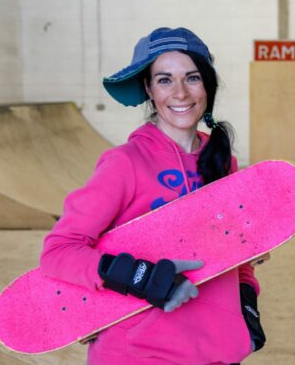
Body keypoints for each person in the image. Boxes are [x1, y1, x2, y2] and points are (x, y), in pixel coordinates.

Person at [40, 27, 265, 365]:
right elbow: (59, 252)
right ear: (148, 88)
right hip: (139, 353)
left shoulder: (222, 161)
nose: (179, 93)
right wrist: (139, 276)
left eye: (191, 78)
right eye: (164, 80)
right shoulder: (124, 164)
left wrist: (247, 298)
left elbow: (236, 253)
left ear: (207, 85)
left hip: (216, 350)